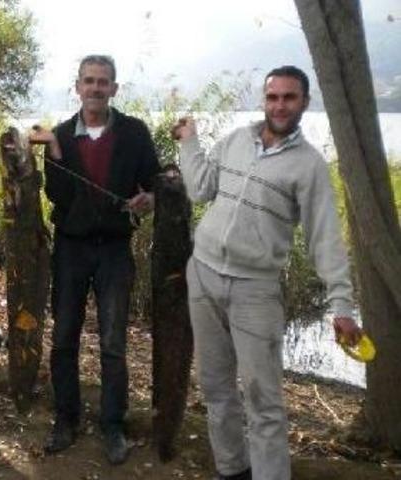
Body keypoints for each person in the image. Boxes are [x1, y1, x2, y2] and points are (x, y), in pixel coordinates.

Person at [172, 65, 363, 480]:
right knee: (216, 388)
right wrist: (190, 144)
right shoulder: (238, 139)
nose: (279, 105)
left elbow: (324, 237)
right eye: (272, 96)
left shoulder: (309, 165)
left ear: (304, 103)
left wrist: (341, 305)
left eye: (289, 97)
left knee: (265, 401)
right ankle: (231, 469)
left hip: (256, 290)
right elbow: (201, 187)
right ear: (264, 99)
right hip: (202, 275)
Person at [29, 54, 160, 465]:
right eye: (89, 81)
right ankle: (66, 420)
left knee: (113, 343)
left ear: (114, 89)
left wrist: (149, 200)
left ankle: (113, 426)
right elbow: (59, 197)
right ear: (78, 86)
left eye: (103, 82)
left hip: (116, 251)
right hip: (71, 249)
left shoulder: (135, 132)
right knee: (64, 335)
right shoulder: (63, 135)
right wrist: (53, 150)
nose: (96, 88)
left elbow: (155, 185)